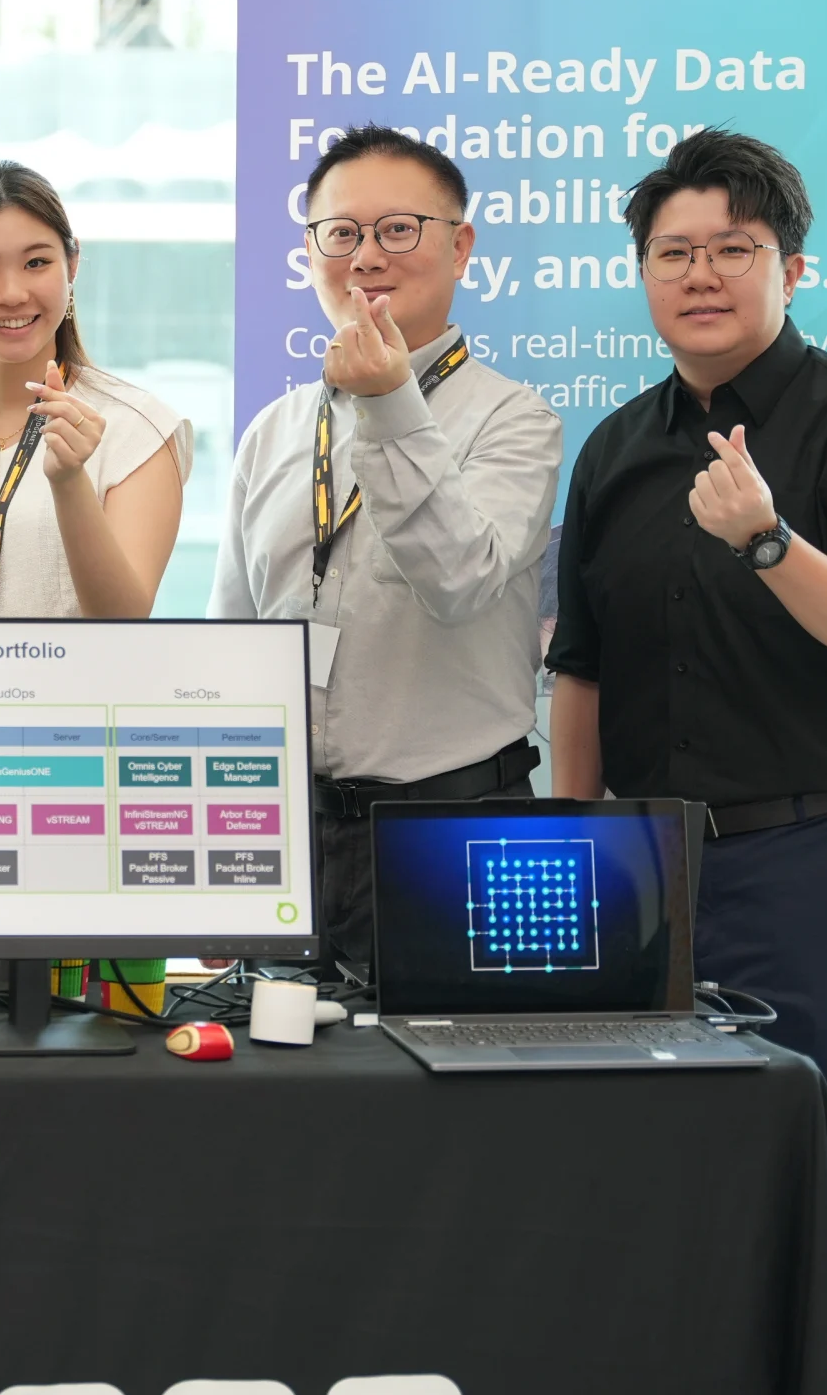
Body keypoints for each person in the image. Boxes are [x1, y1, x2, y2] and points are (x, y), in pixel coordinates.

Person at [547, 128, 827, 1392]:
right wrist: (576, 847)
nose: (700, 275)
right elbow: (580, 672)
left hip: (826, 853)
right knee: (672, 1190)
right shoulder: (617, 448)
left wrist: (767, 540)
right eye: (673, 253)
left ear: (792, 268)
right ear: (642, 274)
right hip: (652, 869)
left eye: (733, 249)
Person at [209, 125, 563, 969]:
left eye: (398, 229)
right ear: (310, 252)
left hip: (452, 834)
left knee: (455, 1056)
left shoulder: (517, 421)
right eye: (341, 233)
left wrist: (392, 401)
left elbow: (459, 578)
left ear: (460, 246)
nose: (367, 256)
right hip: (288, 835)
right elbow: (231, 647)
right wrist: (219, 845)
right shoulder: (273, 431)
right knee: (267, 1052)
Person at [0, 158, 190, 618]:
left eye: (36, 263)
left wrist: (68, 481)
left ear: (72, 264)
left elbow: (124, 623)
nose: (11, 293)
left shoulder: (137, 430)